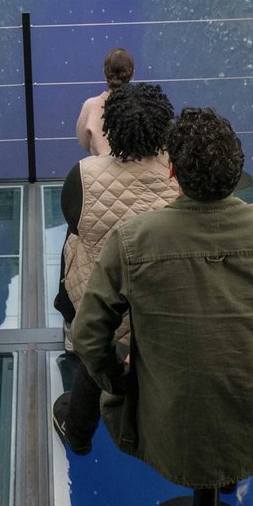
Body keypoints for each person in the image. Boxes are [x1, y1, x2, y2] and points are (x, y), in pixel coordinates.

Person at [70, 108, 253, 487]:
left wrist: (121, 380)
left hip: (167, 431)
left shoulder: (132, 241)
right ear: (236, 169)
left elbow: (88, 336)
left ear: (173, 172)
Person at [51, 82, 178, 453]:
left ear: (111, 127)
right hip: (161, 301)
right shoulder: (179, 171)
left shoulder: (83, 174)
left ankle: (78, 433)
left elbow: (74, 224)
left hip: (101, 298)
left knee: (96, 359)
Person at [75, 47, 134, 157]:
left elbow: (84, 142)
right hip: (137, 171)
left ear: (104, 72)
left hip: (99, 171)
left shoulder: (90, 106)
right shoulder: (142, 105)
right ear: (132, 74)